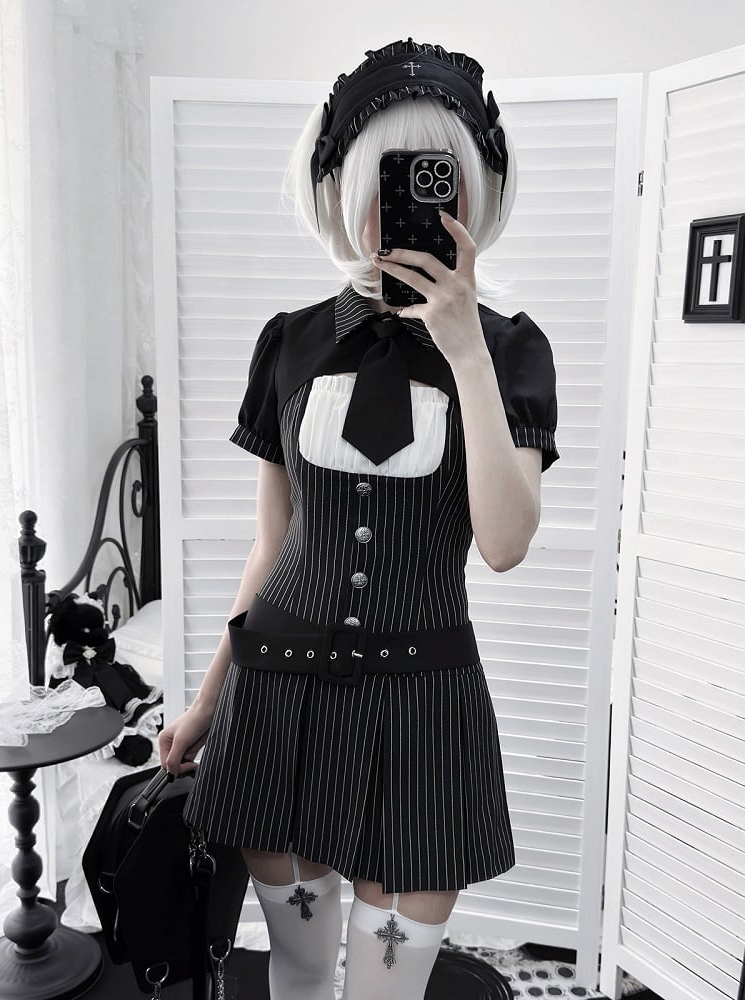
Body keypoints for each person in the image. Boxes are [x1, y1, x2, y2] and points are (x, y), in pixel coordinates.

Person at [158, 36, 559, 1000]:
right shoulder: (289, 342)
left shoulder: (510, 351)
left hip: (424, 708)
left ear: (473, 194)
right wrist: (207, 703)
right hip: (277, 694)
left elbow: (505, 544)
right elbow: (272, 547)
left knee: (389, 989)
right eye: (391, 177)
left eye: (437, 179)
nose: (413, 205)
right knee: (298, 973)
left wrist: (464, 351)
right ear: (343, 187)